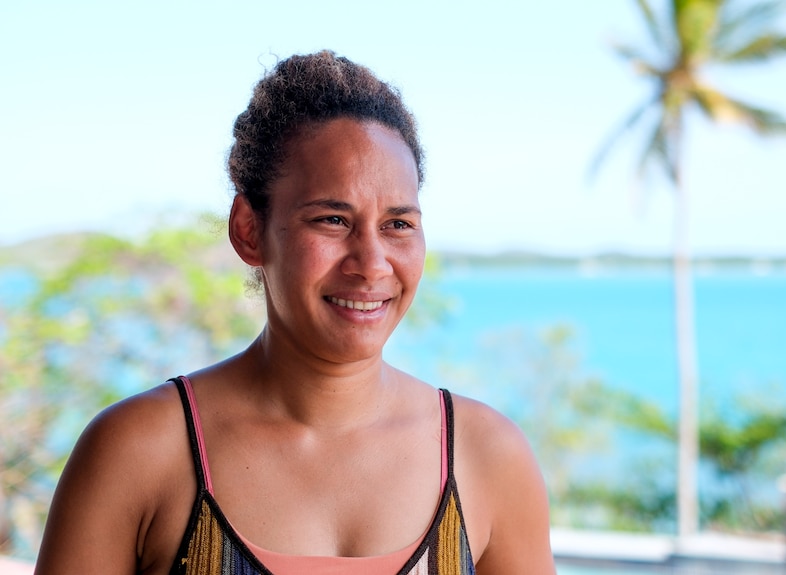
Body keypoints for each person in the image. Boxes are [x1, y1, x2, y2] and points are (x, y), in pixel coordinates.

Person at [35, 50, 556, 575]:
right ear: (248, 229)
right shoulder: (140, 451)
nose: (372, 264)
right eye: (332, 219)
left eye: (398, 224)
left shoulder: (486, 458)